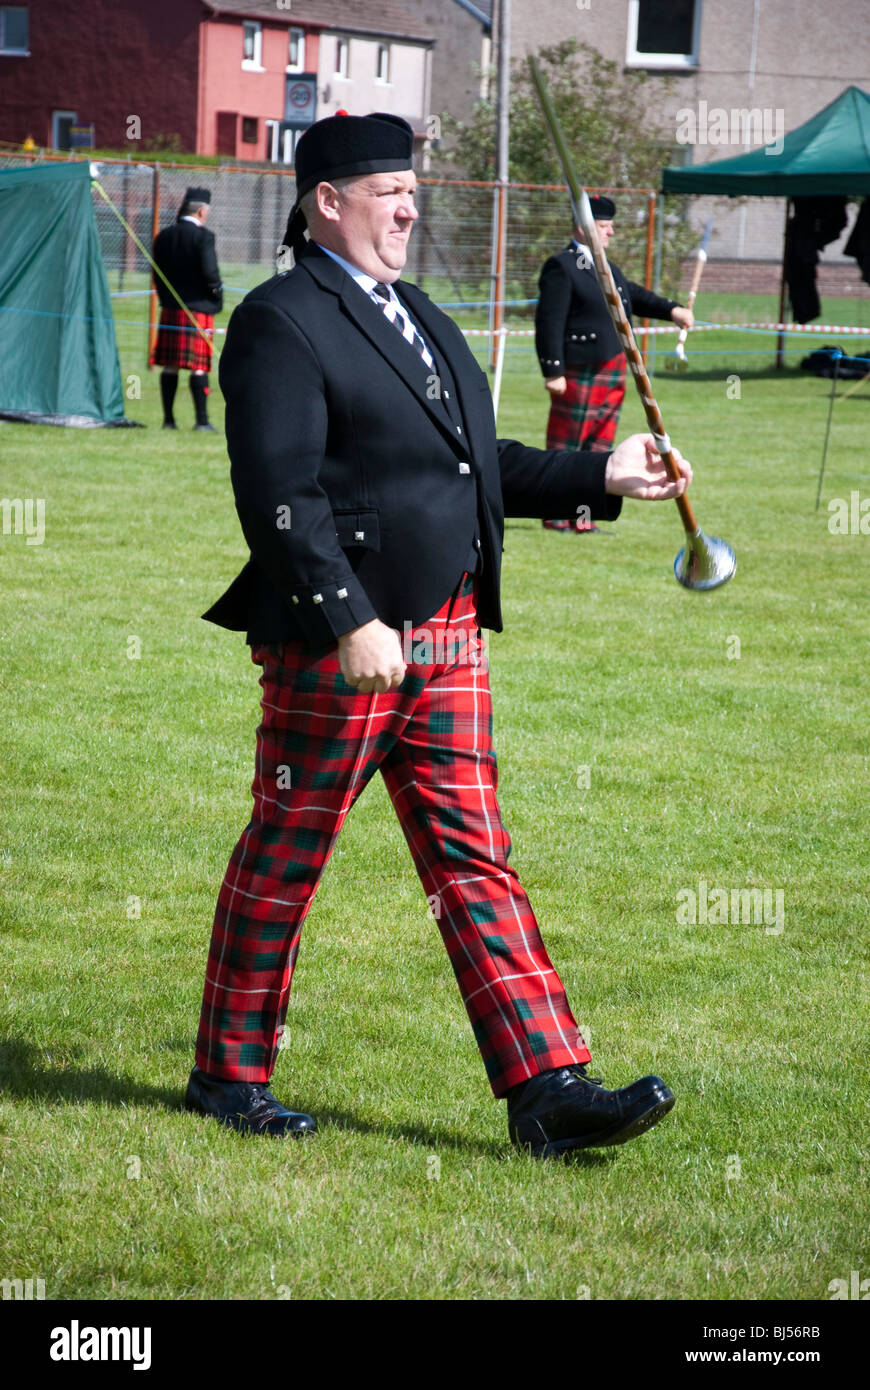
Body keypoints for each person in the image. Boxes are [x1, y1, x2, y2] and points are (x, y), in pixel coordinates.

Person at [184, 113, 692, 1158]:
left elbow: (475, 462)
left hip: (451, 633)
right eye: (388, 190)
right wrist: (346, 614)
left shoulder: (417, 311)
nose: (411, 207)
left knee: (476, 858)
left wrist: (604, 471)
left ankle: (548, 1083)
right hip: (348, 644)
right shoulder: (282, 319)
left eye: (414, 188)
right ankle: (227, 1076)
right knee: (288, 852)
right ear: (328, 201)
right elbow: (276, 493)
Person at [536, 195, 694, 533]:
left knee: (598, 446)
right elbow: (549, 322)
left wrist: (672, 310)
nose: (611, 233)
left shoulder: (605, 266)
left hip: (611, 367)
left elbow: (633, 296)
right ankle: (554, 514)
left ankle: (582, 518)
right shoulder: (561, 266)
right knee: (568, 448)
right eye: (605, 227)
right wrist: (553, 370)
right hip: (579, 371)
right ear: (583, 227)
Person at [150, 186, 222, 432]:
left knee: (170, 365)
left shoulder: (164, 236)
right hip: (198, 309)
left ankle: (168, 420)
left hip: (170, 308)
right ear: (202, 211)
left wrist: (165, 298)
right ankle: (201, 421)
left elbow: (156, 274)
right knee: (198, 366)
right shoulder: (204, 237)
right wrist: (217, 294)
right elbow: (210, 273)